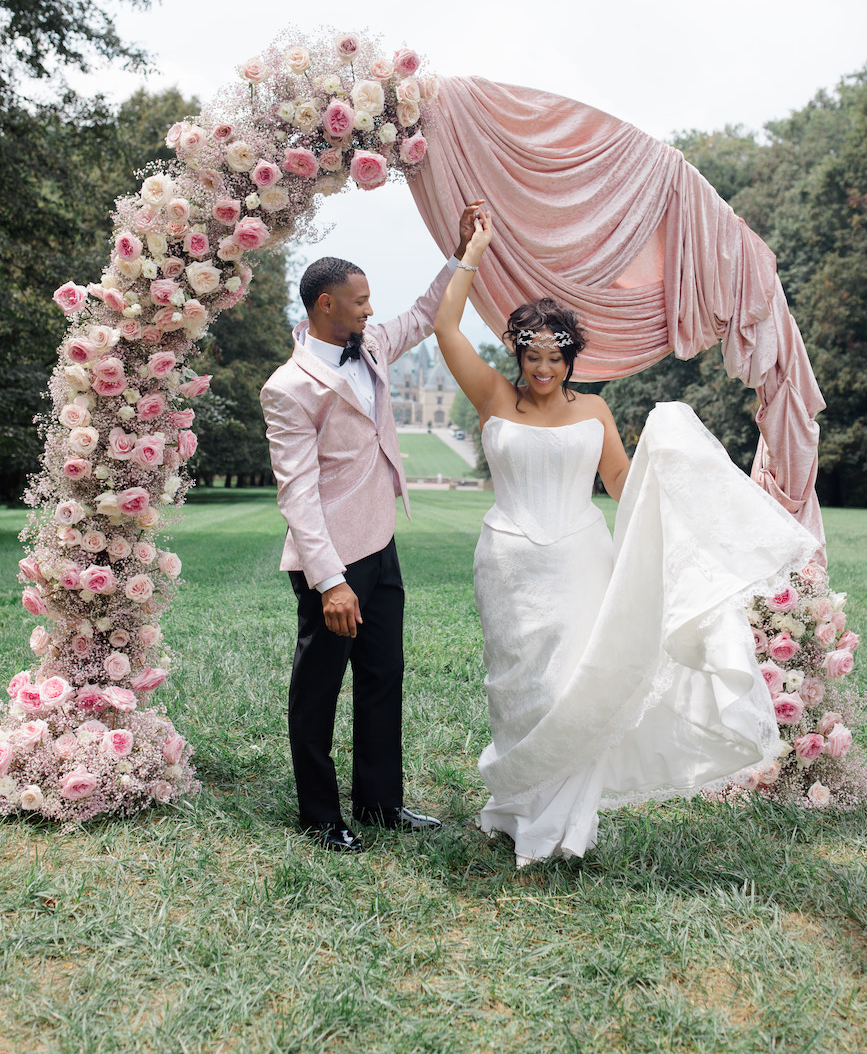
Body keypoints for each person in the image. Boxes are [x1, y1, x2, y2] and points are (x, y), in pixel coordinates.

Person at [434, 209, 818, 865]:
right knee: (519, 692)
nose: (544, 370)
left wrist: (690, 496)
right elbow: (444, 327)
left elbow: (620, 482)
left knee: (573, 691)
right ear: (517, 354)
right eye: (533, 357)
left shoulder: (594, 411)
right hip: (506, 566)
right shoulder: (496, 398)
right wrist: (471, 250)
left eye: (556, 359)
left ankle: (556, 835)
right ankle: (514, 808)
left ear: (570, 359)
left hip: (579, 566)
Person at [260, 202, 484, 853]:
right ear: (325, 304)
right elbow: (297, 494)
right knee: (318, 690)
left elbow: (419, 313)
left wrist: (460, 254)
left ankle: (381, 804)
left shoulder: (374, 345)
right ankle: (320, 815)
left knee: (385, 676)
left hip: (381, 548)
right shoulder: (287, 387)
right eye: (358, 301)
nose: (368, 309)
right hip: (329, 559)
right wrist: (330, 583)